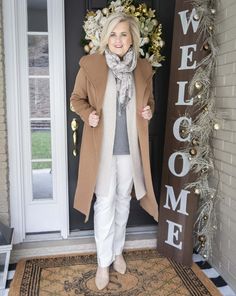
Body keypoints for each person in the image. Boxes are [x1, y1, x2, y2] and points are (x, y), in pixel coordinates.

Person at [70, 12, 159, 290]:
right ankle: (102, 261)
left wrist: (149, 110)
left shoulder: (143, 68)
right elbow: (76, 99)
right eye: (113, 34)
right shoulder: (91, 65)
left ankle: (117, 251)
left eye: (123, 34)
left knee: (123, 200)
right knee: (104, 202)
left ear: (132, 38)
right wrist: (88, 115)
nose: (118, 40)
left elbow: (151, 102)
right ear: (105, 37)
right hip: (103, 150)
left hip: (130, 149)